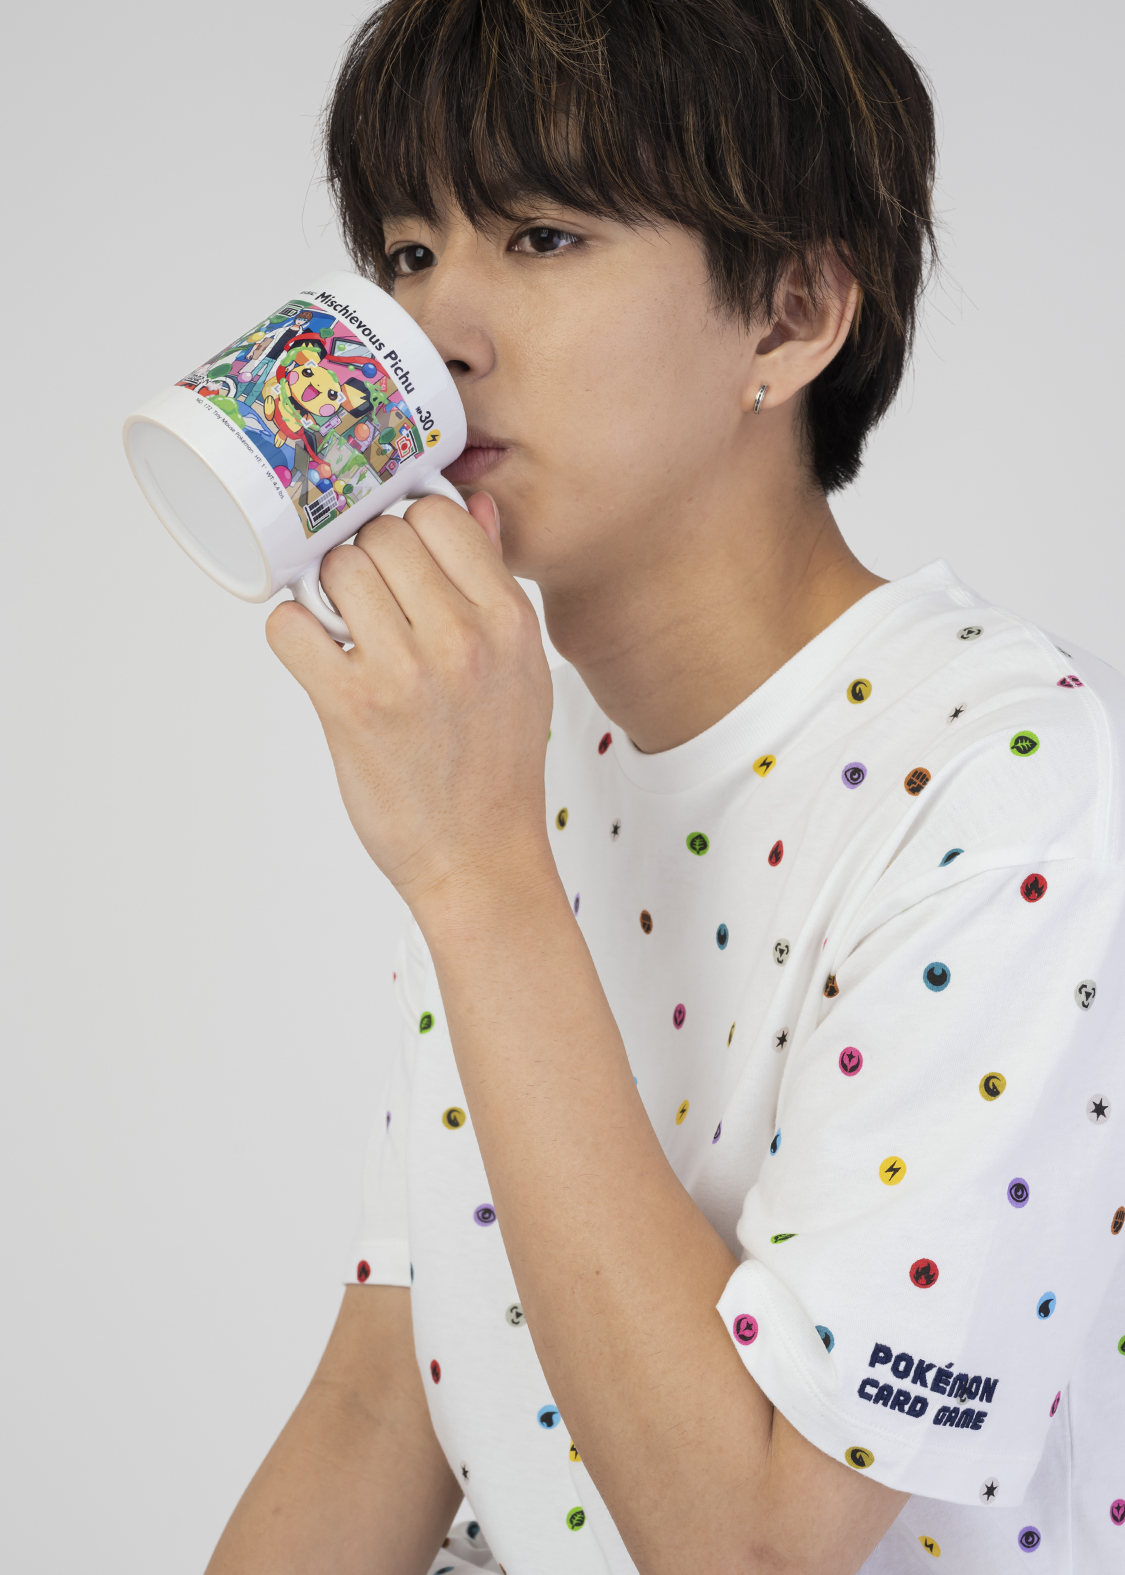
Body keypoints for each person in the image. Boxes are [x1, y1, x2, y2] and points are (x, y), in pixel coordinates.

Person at [204, 2, 1125, 1572]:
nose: (432, 335)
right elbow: (385, 1397)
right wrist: (481, 850)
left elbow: (754, 1547)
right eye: (409, 253)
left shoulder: (1007, 770)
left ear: (789, 317)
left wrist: (478, 876)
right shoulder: (518, 757)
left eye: (541, 237)